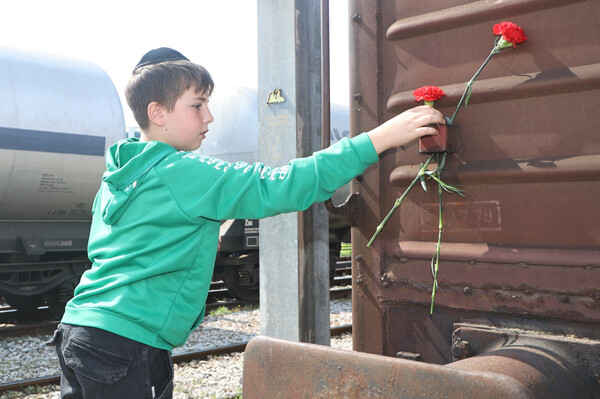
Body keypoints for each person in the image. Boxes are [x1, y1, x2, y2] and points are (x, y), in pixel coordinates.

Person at [47, 47, 444, 398]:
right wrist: (379, 138)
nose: (210, 116)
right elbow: (282, 184)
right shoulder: (182, 170)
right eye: (197, 105)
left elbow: (109, 250)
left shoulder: (120, 174)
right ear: (158, 113)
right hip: (126, 343)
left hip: (78, 331)